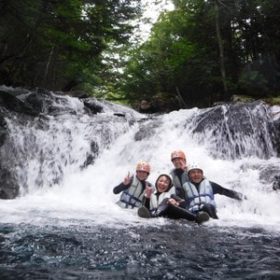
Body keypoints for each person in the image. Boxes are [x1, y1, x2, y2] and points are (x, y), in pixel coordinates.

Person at [179, 163, 245, 221]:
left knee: (206, 206)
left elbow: (225, 191)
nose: (196, 174)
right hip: (194, 214)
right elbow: (179, 201)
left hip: (210, 212)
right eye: (193, 172)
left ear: (202, 174)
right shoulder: (185, 187)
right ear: (189, 175)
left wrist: (242, 197)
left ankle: (215, 221)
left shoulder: (210, 185)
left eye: (198, 172)